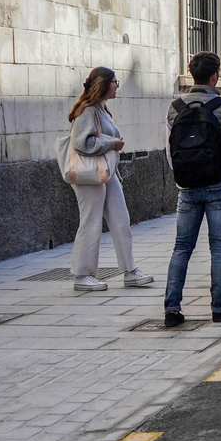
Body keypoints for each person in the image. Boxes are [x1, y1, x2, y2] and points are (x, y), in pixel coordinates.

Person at [164, 51, 221, 328]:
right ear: (215, 76)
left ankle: (171, 309)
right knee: (218, 247)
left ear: (192, 74)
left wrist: (183, 177)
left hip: (187, 187)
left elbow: (170, 153)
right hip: (219, 184)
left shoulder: (174, 107)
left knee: (181, 248)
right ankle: (218, 309)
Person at [65, 67, 153, 291]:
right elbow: (82, 143)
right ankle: (83, 274)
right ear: (103, 84)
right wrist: (112, 143)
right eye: (115, 82)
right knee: (91, 221)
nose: (117, 86)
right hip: (89, 176)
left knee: (121, 219)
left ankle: (130, 271)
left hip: (106, 173)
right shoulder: (87, 111)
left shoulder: (101, 109)